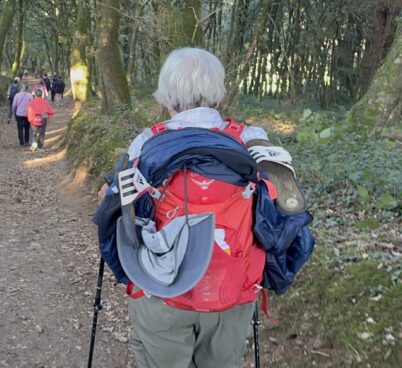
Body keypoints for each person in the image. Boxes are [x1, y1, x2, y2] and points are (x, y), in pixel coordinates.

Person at [96, 48, 273, 368]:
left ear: (167, 96)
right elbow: (278, 211)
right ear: (218, 93)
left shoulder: (146, 143)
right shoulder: (252, 140)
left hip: (160, 289)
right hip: (231, 292)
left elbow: (120, 211)